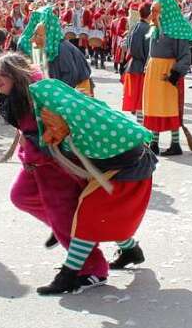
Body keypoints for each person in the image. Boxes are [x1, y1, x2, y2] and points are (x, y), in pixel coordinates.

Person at [24, 77, 157, 294]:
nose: (47, 134)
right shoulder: (79, 122)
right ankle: (131, 251)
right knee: (109, 218)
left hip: (128, 172)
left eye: (51, 126)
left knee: (91, 215)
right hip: (119, 171)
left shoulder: (88, 129)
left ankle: (67, 275)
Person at [0, 53, 110, 292]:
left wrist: (30, 152)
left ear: (16, 75)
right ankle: (74, 238)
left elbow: (49, 139)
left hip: (56, 167)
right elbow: (29, 135)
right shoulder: (19, 96)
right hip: (38, 164)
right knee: (21, 196)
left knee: (65, 216)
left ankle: (95, 268)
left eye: (2, 74)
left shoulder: (38, 96)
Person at [142, 0, 192, 156]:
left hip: (168, 73)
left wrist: (175, 74)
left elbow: (185, 55)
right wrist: (148, 64)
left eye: (156, 11)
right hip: (154, 72)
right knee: (154, 106)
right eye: (153, 11)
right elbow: (151, 51)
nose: (153, 14)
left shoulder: (177, 30)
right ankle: (154, 142)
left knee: (169, 107)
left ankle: (175, 144)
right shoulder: (155, 27)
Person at [16, 6, 93, 94]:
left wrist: (54, 95)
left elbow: (70, 76)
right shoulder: (48, 45)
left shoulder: (61, 48)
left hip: (77, 89)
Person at [122, 2, 152, 123]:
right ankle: (141, 129)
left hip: (134, 65)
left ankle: (140, 126)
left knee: (139, 100)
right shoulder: (147, 29)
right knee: (141, 101)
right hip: (142, 67)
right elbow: (148, 51)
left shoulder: (136, 26)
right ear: (150, 14)